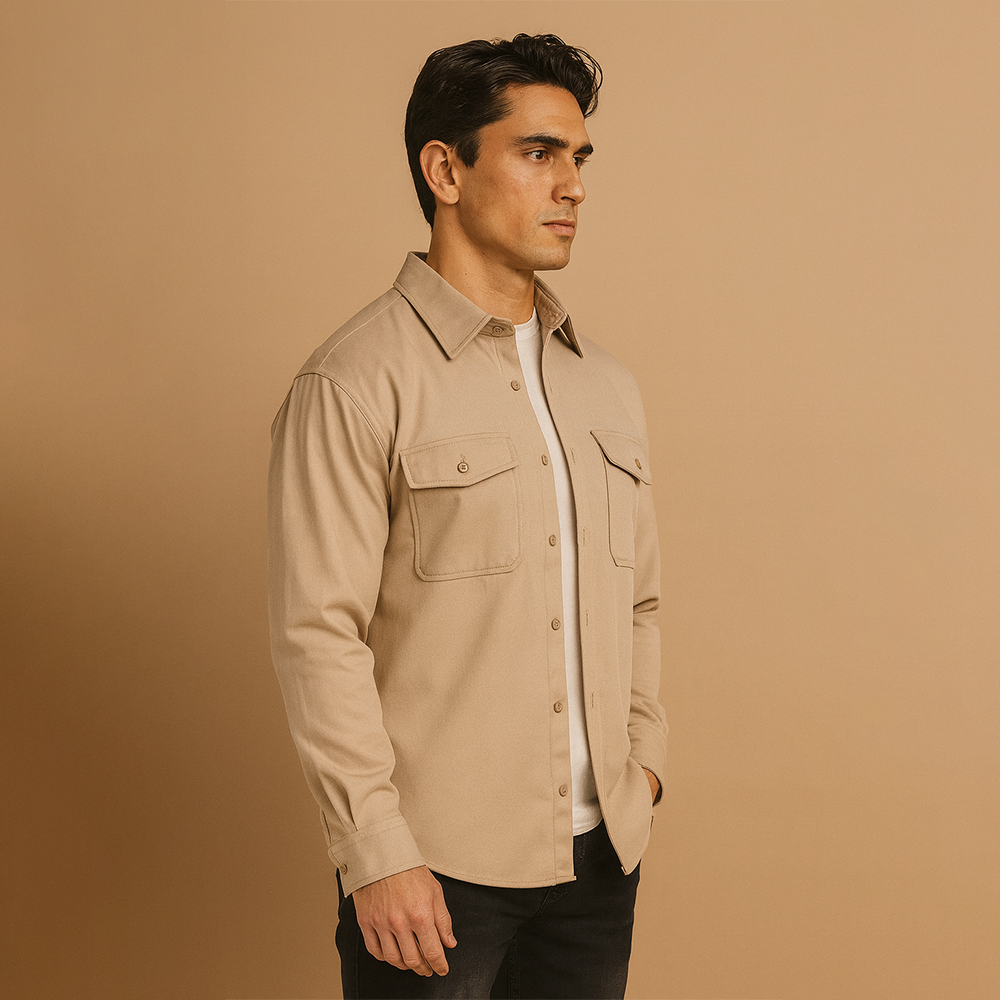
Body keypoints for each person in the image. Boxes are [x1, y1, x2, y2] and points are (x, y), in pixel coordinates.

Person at [268, 33, 668, 1000]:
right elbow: (317, 634)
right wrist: (375, 851)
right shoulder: (354, 382)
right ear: (445, 171)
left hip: (599, 866)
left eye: (579, 158)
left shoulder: (608, 388)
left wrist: (644, 765)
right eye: (538, 153)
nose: (572, 185)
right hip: (433, 874)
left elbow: (640, 604)